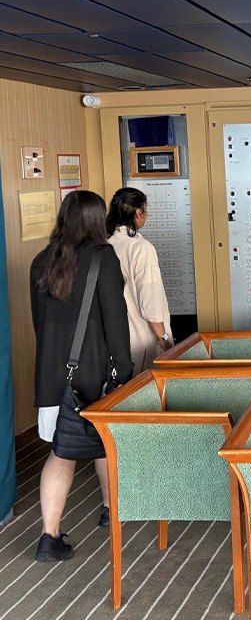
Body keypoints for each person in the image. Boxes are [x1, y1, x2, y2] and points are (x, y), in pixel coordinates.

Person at [31, 191, 132, 562]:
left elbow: (39, 325)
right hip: (93, 373)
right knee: (104, 442)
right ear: (94, 219)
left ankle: (49, 535)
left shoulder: (41, 262)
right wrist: (124, 371)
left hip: (51, 377)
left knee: (62, 450)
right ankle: (110, 510)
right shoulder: (102, 257)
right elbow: (115, 320)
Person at [107, 188, 173, 373]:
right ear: (138, 212)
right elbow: (150, 305)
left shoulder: (106, 243)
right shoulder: (141, 248)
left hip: (116, 343)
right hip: (144, 343)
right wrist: (166, 342)